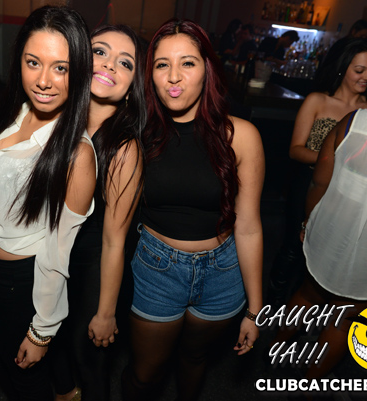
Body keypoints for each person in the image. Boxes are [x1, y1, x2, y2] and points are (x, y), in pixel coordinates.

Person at [0, 6, 96, 400]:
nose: (43, 81)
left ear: (79, 72)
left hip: (23, 285)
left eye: (61, 68)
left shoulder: (76, 154)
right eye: (33, 62)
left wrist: (41, 331)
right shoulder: (17, 115)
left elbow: (57, 254)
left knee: (23, 378)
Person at [121, 19, 264, 401]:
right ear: (149, 75)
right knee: (145, 374)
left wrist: (255, 309)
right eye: (162, 64)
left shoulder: (241, 136)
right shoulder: (137, 134)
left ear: (208, 70)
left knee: (195, 358)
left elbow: (249, 226)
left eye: (187, 62)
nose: (174, 76)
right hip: (156, 269)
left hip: (223, 273)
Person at [274, 44, 367, 380]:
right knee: (344, 321)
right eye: (359, 69)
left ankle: (277, 350)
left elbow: (320, 182)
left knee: (307, 295)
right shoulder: (338, 109)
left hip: (331, 229)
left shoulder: (359, 120)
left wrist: (310, 221)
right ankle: (307, 383)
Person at [50, 24, 145, 401]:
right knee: (50, 345)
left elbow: (114, 240)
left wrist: (106, 312)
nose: (108, 64)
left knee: (89, 361)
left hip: (93, 267)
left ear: (133, 85)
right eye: (100, 52)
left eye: (125, 62)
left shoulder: (124, 148)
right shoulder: (53, 119)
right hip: (48, 256)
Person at [267, 38, 367, 307]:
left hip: (348, 193)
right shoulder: (318, 101)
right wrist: (333, 159)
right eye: (360, 70)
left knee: (326, 253)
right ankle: (273, 308)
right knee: (294, 247)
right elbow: (295, 150)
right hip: (308, 185)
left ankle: (305, 309)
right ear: (343, 68)